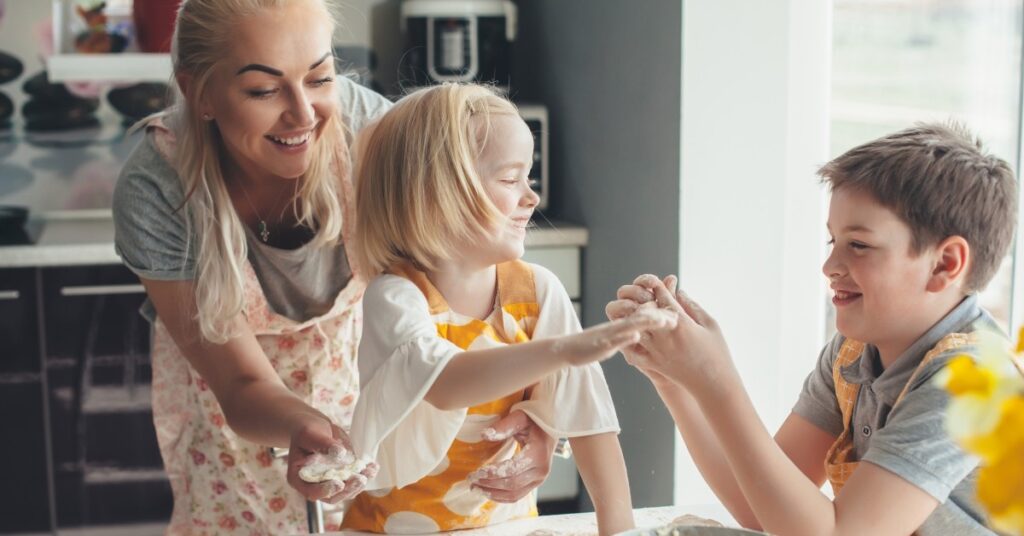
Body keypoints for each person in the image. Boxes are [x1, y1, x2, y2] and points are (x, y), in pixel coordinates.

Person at [112, 1, 558, 533]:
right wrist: (305, 424)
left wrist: (541, 413)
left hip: (380, 393)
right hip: (234, 427)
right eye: (263, 89)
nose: (303, 114)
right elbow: (241, 384)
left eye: (320, 77)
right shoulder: (158, 190)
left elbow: (467, 292)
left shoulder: (371, 133)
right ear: (198, 92)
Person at [607, 123, 1018, 535]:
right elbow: (760, 508)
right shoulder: (854, 352)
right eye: (832, 242)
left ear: (945, 264)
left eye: (859, 245)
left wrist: (716, 379)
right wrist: (676, 381)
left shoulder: (972, 378)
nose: (829, 267)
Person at [339, 83, 675, 535]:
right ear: (439, 193)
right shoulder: (396, 297)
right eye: (510, 179)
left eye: (529, 179)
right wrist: (567, 349)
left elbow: (590, 422)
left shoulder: (537, 291)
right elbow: (443, 382)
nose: (531, 197)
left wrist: (619, 531)